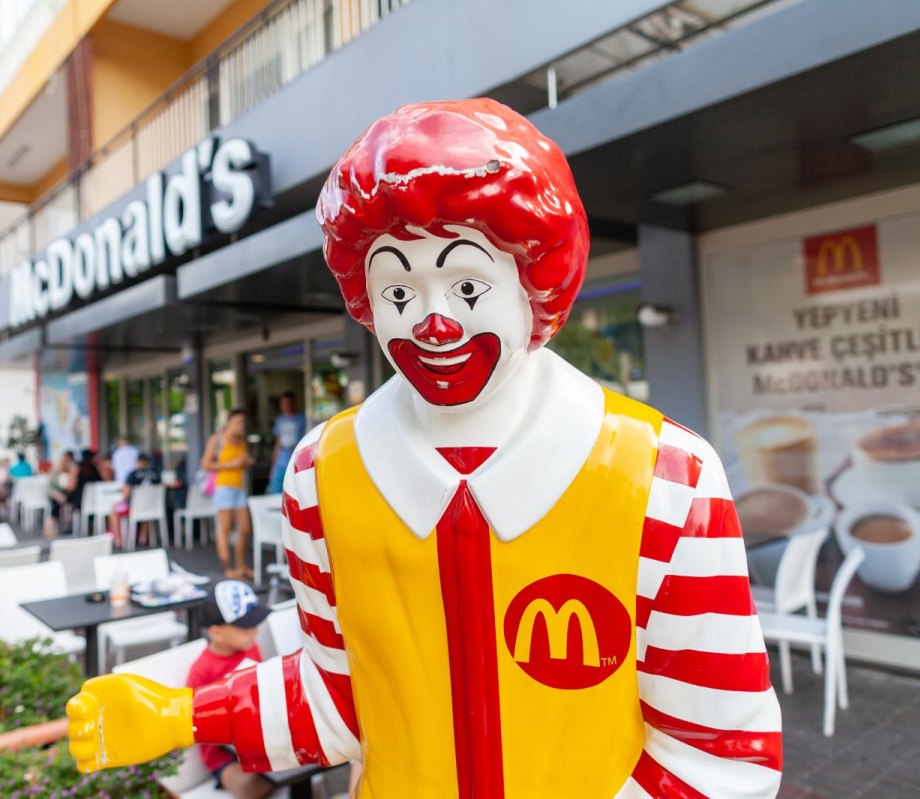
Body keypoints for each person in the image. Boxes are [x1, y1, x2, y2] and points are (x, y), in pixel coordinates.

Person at [69, 100, 782, 797]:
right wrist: (184, 713)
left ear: (535, 282)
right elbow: (341, 700)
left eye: (467, 284)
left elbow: (720, 750)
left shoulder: (666, 476)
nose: (434, 321)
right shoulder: (321, 479)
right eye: (399, 291)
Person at [184, 581, 273, 799]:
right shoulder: (202, 671)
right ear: (217, 633)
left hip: (259, 739)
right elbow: (194, 721)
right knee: (250, 786)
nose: (255, 630)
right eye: (245, 626)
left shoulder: (252, 648)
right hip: (222, 755)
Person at [201, 410, 254, 579]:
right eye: (238, 422)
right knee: (225, 529)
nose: (241, 425)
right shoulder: (217, 439)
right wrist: (230, 465)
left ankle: (241, 566)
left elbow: (244, 464)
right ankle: (227, 568)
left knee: (245, 529)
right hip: (223, 488)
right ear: (229, 422)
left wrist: (246, 462)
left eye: (243, 422)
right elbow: (206, 464)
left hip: (239, 488)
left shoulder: (241, 441)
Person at [110, 453, 161, 547]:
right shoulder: (156, 474)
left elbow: (126, 493)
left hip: (133, 509)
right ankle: (143, 537)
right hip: (152, 508)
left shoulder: (133, 474)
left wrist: (121, 499)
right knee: (146, 509)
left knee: (114, 509)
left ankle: (118, 540)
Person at [268, 392, 307, 494]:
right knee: (275, 488)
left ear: (294, 403)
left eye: (288, 403)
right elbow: (277, 443)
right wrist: (273, 465)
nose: (286, 406)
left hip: (295, 457)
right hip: (281, 458)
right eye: (284, 403)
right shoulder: (280, 420)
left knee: (295, 488)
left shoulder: (302, 419)